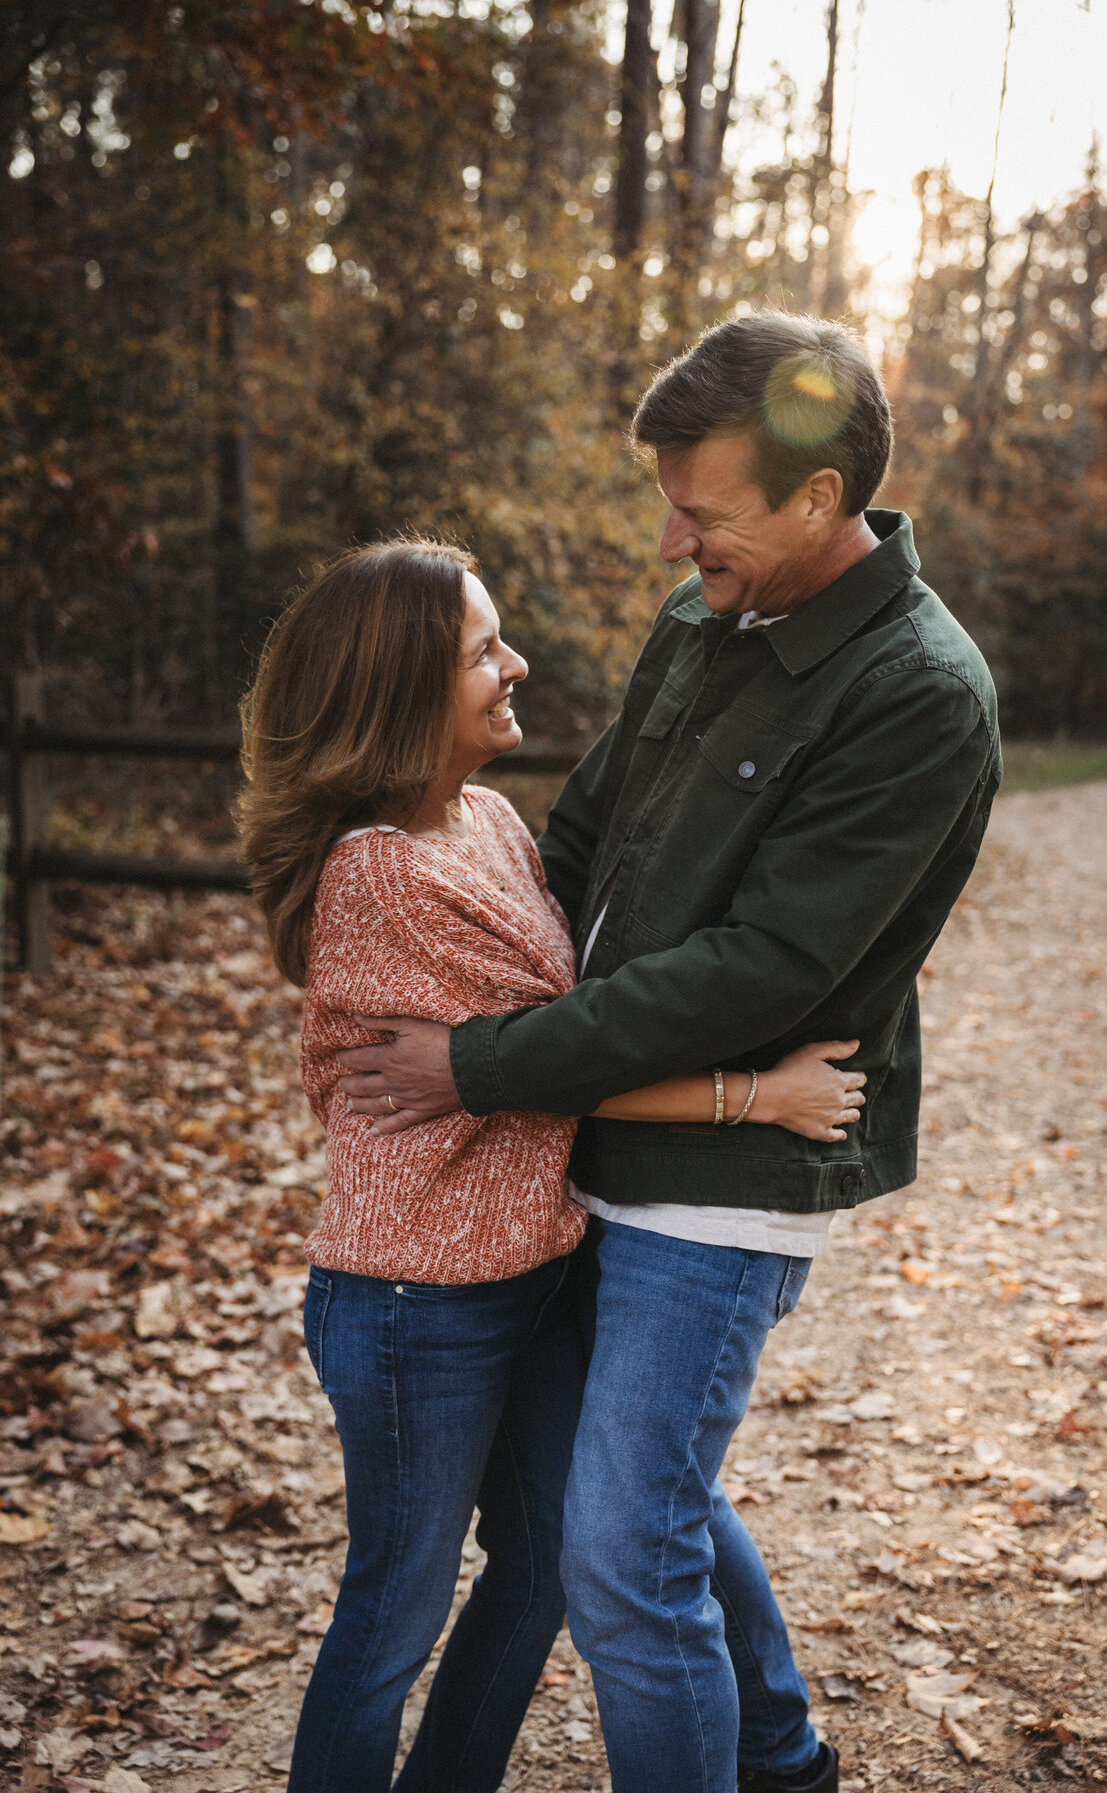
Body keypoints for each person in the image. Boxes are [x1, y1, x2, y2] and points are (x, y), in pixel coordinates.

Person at [335, 311, 1003, 1793]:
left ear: (818, 498)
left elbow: (762, 969)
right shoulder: (707, 619)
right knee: (629, 1498)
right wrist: (451, 969)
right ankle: (778, 1748)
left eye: (698, 512)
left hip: (722, 1169)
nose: (666, 543)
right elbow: (582, 839)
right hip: (584, 1128)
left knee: (625, 1552)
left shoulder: (919, 693)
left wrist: (487, 1061)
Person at [237, 536, 868, 1793]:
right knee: (392, 1617)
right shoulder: (381, 875)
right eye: (483, 651)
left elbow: (554, 1031)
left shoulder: (485, 820)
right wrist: (756, 1095)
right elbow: (557, 1059)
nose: (515, 663)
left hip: (525, 1276)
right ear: (402, 690)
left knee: (540, 1571)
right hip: (415, 1303)